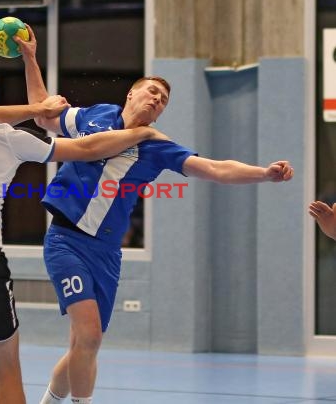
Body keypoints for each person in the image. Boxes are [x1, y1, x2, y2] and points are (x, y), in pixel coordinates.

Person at [15, 26, 295, 404]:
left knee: (84, 345)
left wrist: (263, 173)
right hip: (66, 240)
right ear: (131, 93)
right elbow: (44, 116)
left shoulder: (157, 146)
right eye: (152, 91)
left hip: (108, 253)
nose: (157, 100)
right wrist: (31, 59)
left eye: (163, 100)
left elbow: (215, 168)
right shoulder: (95, 115)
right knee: (91, 336)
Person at [0, 66, 164, 404]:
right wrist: (140, 134)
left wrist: (36, 110)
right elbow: (86, 150)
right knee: (7, 375)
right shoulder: (13, 139)